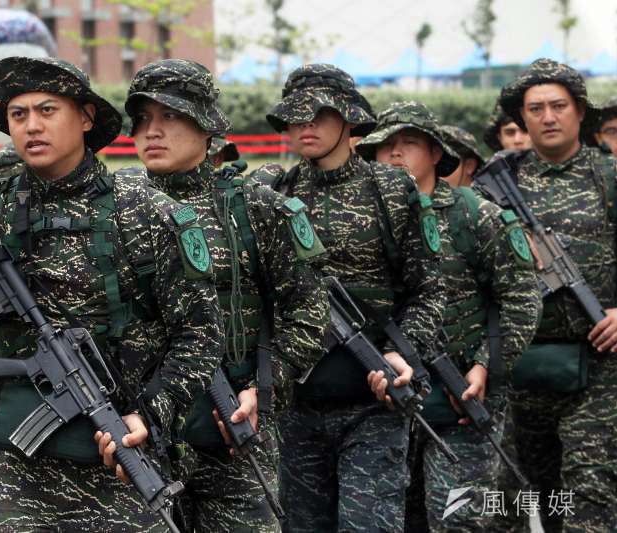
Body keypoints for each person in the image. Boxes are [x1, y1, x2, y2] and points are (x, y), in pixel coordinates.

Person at [0, 56, 224, 532]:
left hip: (124, 462)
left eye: (47, 110)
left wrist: (152, 415)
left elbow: (200, 333)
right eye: (18, 115)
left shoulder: (144, 211)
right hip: (18, 472)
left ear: (85, 117)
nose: (32, 126)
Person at [122, 58, 328, 533]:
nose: (153, 132)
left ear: (206, 127)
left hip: (236, 427)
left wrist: (266, 384)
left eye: (170, 117)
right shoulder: (118, 208)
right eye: (144, 120)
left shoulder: (259, 209)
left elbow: (308, 310)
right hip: (142, 433)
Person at [257, 63, 446, 532]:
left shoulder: (389, 190)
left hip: (373, 405)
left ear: (348, 120)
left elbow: (429, 289)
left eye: (318, 115)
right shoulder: (273, 192)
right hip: (297, 409)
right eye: (296, 117)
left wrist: (401, 354)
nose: (305, 126)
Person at [357, 101, 541, 531]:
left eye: (409, 143)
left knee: (457, 520)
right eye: (385, 147)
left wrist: (485, 365)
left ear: (436, 153)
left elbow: (521, 299)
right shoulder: (365, 220)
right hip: (386, 403)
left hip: (463, 395)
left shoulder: (476, 214)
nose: (396, 154)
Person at [485, 57, 617, 532]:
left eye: (558, 106)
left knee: (592, 496)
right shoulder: (495, 187)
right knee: (525, 505)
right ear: (522, 119)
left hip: (600, 367)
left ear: (579, 111)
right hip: (518, 369)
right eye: (536, 109)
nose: (548, 117)